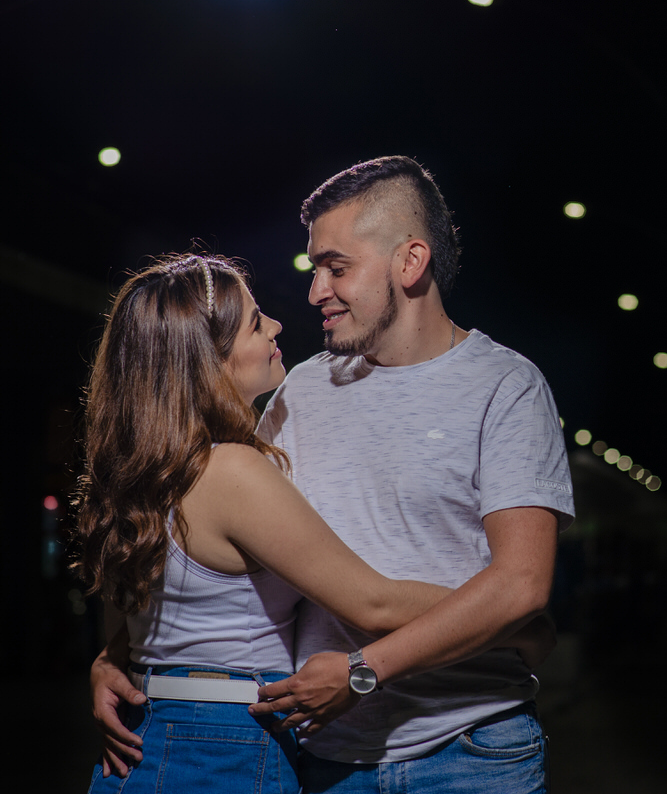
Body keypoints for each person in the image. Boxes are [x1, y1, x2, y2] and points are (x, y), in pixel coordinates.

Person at [94, 155, 575, 794]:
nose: (316, 290)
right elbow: (198, 540)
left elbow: (521, 584)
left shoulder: (505, 387)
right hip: (324, 755)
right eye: (316, 267)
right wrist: (117, 657)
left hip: (468, 748)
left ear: (410, 263)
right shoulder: (302, 388)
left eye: (336, 267)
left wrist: (363, 670)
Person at [71, 253, 458, 792]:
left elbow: (137, 617)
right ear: (210, 359)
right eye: (257, 322)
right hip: (224, 741)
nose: (277, 325)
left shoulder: (141, 470)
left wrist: (111, 658)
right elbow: (374, 602)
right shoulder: (229, 469)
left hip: (156, 729)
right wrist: (505, 612)